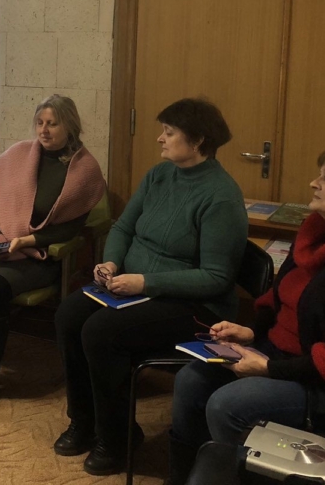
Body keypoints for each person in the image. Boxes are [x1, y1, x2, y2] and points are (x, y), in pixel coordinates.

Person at [53, 97, 248, 476]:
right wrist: (111, 262)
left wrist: (146, 281)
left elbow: (216, 277)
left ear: (198, 141)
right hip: (136, 287)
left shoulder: (221, 195)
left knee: (101, 332)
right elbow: (124, 227)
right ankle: (83, 421)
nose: (160, 138)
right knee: (69, 314)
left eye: (169, 133)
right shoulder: (160, 175)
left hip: (195, 306)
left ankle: (118, 437)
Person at [167, 142, 325, 485]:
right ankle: (191, 476)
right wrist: (251, 333)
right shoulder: (315, 233)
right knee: (192, 379)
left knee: (228, 404)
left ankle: (239, 476)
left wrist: (268, 369)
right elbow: (279, 301)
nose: (314, 183)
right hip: (282, 356)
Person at [0, 94, 106, 414]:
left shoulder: (84, 170)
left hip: (38, 253)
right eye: (40, 123)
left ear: (70, 126)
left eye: (52, 124)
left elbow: (70, 230)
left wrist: (26, 241)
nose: (44, 130)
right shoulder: (17, 155)